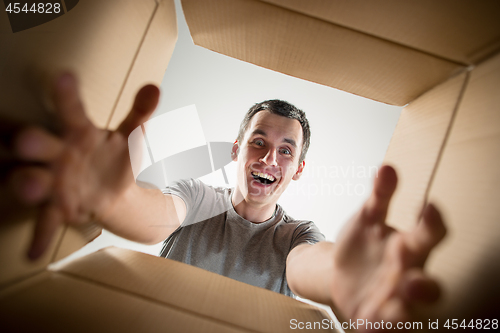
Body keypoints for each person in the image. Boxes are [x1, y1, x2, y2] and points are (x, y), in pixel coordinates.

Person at [7, 73, 446, 329]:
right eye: (259, 141)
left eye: (286, 150)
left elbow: (314, 265)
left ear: (298, 169)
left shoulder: (298, 236)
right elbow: (153, 215)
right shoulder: (197, 198)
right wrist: (113, 201)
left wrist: (340, 281)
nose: (270, 158)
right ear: (237, 150)